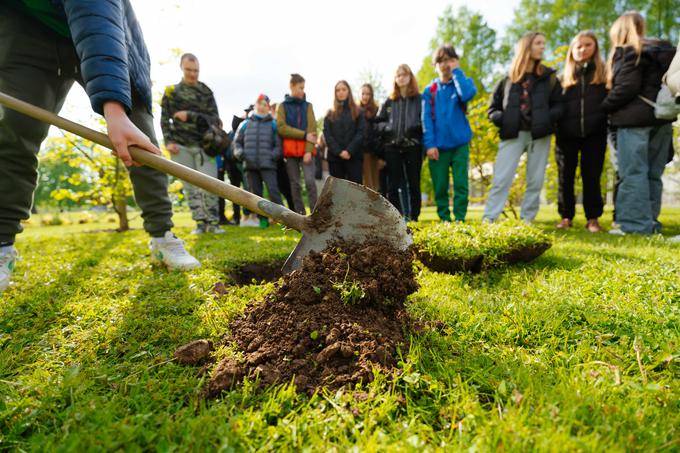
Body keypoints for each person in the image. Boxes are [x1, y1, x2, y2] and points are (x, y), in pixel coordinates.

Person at [0, 0, 200, 293]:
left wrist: (115, 108)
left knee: (139, 139)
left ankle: (162, 236)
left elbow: (95, 15)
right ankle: (2, 245)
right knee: (13, 129)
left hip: (105, 31)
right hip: (27, 30)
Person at [601, 12, 676, 235]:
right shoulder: (662, 51)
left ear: (619, 29)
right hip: (661, 118)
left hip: (633, 122)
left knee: (633, 173)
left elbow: (627, 87)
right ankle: (650, 223)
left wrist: (603, 106)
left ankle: (634, 225)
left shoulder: (629, 50)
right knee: (653, 174)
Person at [484, 32, 564, 224]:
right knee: (501, 179)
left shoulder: (549, 77)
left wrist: (546, 119)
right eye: (538, 43)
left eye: (544, 43)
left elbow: (560, 105)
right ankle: (489, 219)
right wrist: (501, 119)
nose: (543, 47)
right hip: (512, 134)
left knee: (535, 180)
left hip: (540, 135)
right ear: (526, 46)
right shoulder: (508, 78)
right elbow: (492, 108)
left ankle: (527, 220)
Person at [161, 53, 225, 235]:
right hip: (180, 145)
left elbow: (216, 120)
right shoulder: (171, 92)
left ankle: (214, 223)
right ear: (181, 68)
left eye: (196, 70)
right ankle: (200, 224)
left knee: (210, 184)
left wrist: (190, 115)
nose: (192, 74)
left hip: (206, 146)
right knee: (190, 187)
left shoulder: (206, 91)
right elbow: (164, 119)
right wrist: (168, 141)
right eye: (189, 70)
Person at [555, 31, 608, 233]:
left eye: (587, 45)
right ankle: (566, 217)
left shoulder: (603, 75)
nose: (582, 49)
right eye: (578, 46)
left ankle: (592, 218)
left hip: (595, 133)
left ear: (595, 48)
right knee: (565, 176)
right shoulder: (562, 78)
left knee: (592, 176)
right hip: (566, 134)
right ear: (572, 51)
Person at [422, 46, 477, 223]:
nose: (445, 64)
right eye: (441, 61)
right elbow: (426, 120)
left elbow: (467, 95)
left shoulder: (462, 82)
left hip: (460, 144)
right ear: (435, 65)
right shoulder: (429, 90)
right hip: (438, 147)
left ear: (454, 61)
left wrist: (457, 72)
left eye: (449, 60)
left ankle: (460, 219)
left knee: (461, 184)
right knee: (440, 186)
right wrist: (429, 144)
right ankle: (445, 219)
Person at [376, 64, 423, 221]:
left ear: (410, 77)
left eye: (404, 74)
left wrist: (415, 127)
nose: (401, 78)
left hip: (413, 146)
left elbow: (426, 121)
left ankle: (414, 217)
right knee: (393, 186)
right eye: (398, 75)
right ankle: (396, 218)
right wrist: (388, 127)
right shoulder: (389, 101)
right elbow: (378, 122)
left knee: (413, 183)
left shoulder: (419, 99)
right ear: (395, 79)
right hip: (392, 147)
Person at [233, 94, 283, 229]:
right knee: (256, 195)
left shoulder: (273, 124)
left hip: (268, 164)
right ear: (255, 106)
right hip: (250, 165)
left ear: (268, 107)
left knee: (273, 191)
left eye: (264, 105)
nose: (261, 107)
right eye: (259, 104)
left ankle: (283, 219)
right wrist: (240, 154)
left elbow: (278, 145)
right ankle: (262, 221)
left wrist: (273, 156)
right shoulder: (245, 124)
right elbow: (236, 143)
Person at [276, 74, 318, 214]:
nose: (302, 91)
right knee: (295, 184)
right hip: (290, 152)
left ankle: (314, 213)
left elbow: (312, 131)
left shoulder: (308, 106)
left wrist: (308, 151)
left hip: (306, 151)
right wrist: (303, 135)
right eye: (300, 87)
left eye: (303, 88)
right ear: (292, 86)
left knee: (310, 182)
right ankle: (299, 214)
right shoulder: (282, 107)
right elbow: (282, 129)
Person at [323, 81, 366, 184]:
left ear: (349, 91)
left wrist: (349, 151)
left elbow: (360, 133)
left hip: (354, 157)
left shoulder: (358, 111)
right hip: (335, 158)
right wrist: (339, 152)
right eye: (338, 90)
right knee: (338, 193)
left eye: (343, 89)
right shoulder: (329, 114)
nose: (341, 92)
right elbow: (328, 135)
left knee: (355, 191)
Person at [269, 102, 295, 210]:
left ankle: (292, 211)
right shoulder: (270, 123)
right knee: (276, 189)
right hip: (272, 159)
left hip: (281, 160)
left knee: (286, 189)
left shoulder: (281, 123)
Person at [359, 84, 382, 191]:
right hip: (362, 152)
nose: (365, 96)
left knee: (376, 182)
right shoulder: (356, 111)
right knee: (367, 183)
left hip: (376, 152)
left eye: (368, 94)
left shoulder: (377, 110)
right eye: (363, 93)